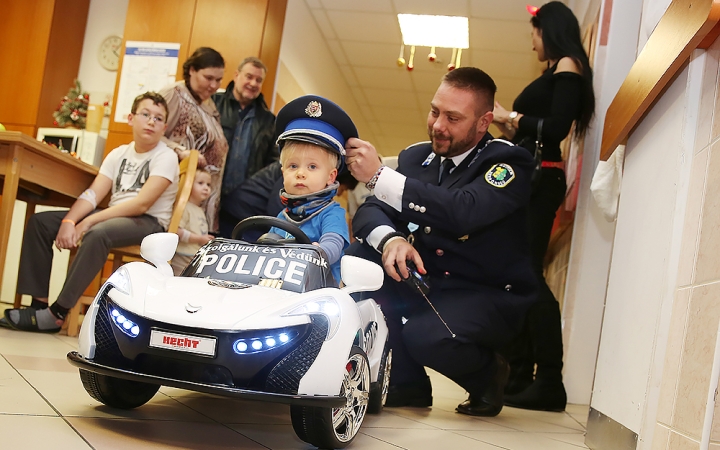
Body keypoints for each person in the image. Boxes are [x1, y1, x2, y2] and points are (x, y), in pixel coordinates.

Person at [345, 67, 537, 417]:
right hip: (430, 281)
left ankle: (489, 375)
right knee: (363, 259)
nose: (438, 125)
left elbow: (463, 211)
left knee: (426, 337)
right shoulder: (416, 157)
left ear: (483, 123)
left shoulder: (507, 162)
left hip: (486, 293)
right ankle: (407, 385)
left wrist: (377, 175)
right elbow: (370, 210)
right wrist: (392, 239)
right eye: (435, 111)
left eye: (453, 117)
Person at [2, 92, 179, 333]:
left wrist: (86, 222)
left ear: (165, 127)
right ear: (131, 118)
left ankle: (57, 313)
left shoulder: (165, 156)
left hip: (147, 223)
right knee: (41, 222)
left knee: (97, 232)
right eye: (145, 114)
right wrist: (69, 220)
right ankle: (38, 305)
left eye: (158, 119)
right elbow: (93, 193)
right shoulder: (119, 153)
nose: (151, 122)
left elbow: (141, 205)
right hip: (114, 216)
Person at [492, 1, 595, 412]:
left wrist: (511, 116)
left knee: (527, 275)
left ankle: (549, 379)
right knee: (516, 275)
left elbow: (556, 128)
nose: (532, 41)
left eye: (534, 33)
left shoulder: (569, 64)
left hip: (542, 179)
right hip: (532, 179)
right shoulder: (556, 70)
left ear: (547, 30)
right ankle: (520, 374)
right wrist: (512, 122)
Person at [267, 95, 355, 285]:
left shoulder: (332, 213)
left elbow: (333, 243)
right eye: (293, 166)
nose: (300, 173)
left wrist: (319, 253)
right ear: (282, 172)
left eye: (312, 167)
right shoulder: (283, 216)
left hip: (317, 291)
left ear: (331, 177)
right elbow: (268, 245)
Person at [159, 47, 228, 233]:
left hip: (203, 199)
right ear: (192, 70)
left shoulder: (209, 104)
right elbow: (152, 134)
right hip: (178, 192)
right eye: (209, 78)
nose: (214, 85)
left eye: (218, 80)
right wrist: (180, 151)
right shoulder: (174, 94)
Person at [212, 57, 278, 238]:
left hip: (242, 207)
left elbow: (272, 164)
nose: (253, 83)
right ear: (236, 75)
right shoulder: (213, 104)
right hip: (208, 196)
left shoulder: (269, 121)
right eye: (249, 77)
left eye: (258, 80)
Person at [170, 168, 214, 275]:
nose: (206, 188)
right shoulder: (184, 207)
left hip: (193, 256)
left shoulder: (200, 210)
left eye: (208, 185)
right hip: (182, 256)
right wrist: (200, 239)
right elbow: (177, 231)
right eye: (200, 183)